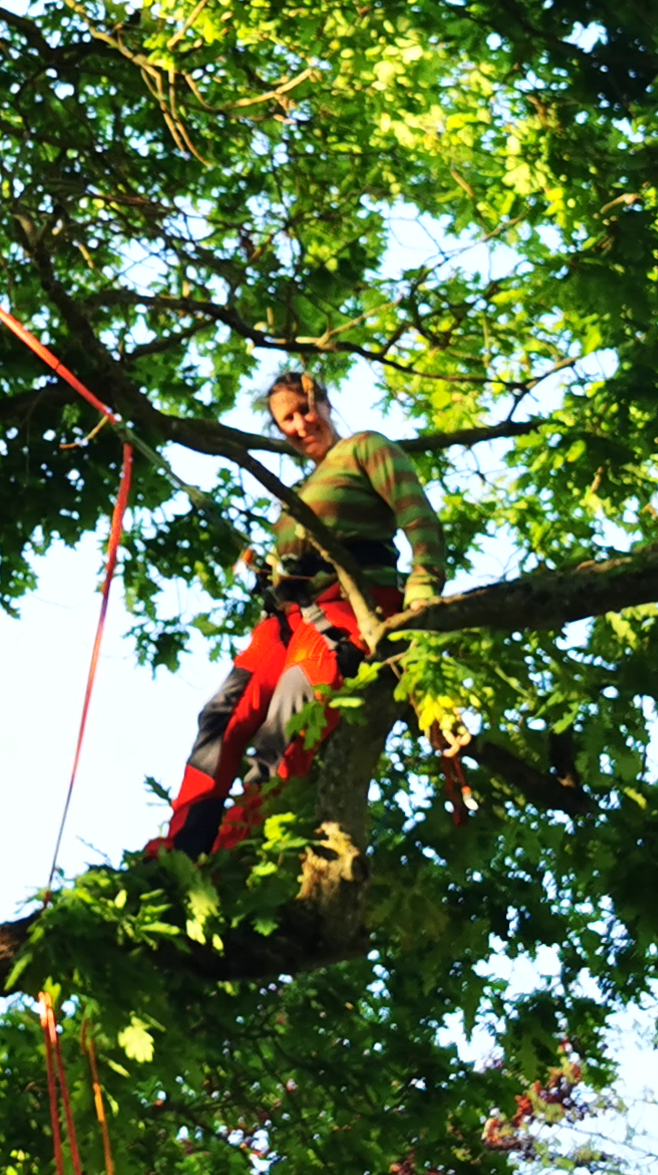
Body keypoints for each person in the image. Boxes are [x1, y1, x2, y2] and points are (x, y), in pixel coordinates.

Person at [158, 367, 448, 860]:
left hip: (348, 609)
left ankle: (237, 850)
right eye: (286, 419)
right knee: (221, 717)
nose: (298, 424)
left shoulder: (365, 449)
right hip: (289, 618)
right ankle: (182, 847)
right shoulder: (294, 497)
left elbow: (418, 517)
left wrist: (423, 588)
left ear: (324, 403)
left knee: (285, 724)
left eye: (304, 410)